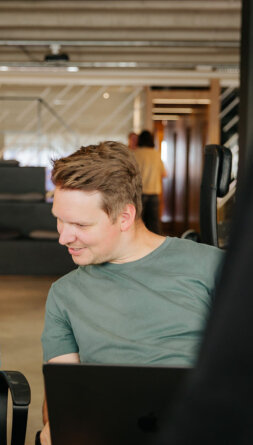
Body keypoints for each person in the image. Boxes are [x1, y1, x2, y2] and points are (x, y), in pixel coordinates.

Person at [39, 141, 223, 445]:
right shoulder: (64, 294)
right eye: (59, 219)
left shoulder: (211, 267)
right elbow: (61, 400)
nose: (63, 237)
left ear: (124, 217)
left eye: (80, 225)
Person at [133, 129, 167, 234]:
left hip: (139, 194)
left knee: (137, 224)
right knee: (154, 224)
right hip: (154, 194)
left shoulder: (135, 154)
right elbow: (164, 174)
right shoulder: (156, 154)